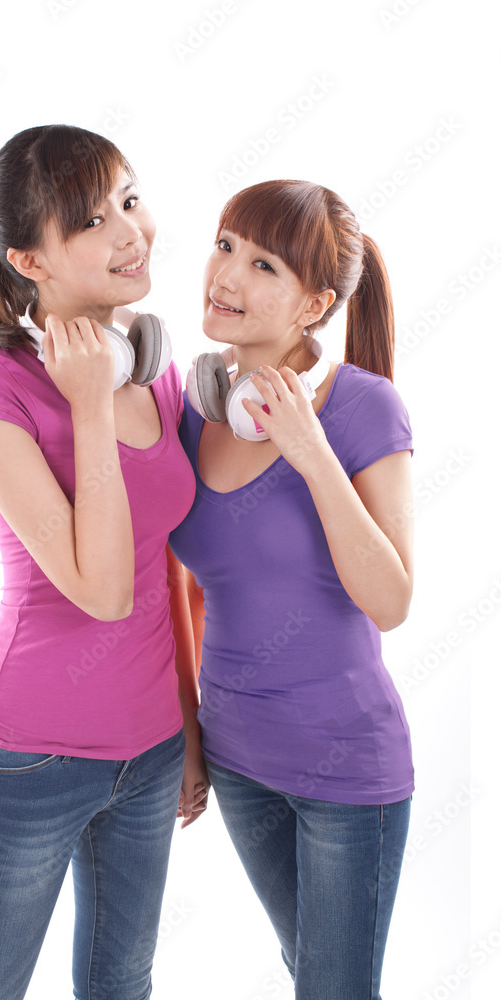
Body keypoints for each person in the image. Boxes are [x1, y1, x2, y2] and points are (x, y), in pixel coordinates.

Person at [0, 124, 208, 1000]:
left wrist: (186, 726)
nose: (132, 231)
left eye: (130, 199)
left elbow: (163, 575)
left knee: (121, 985)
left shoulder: (154, 370)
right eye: (94, 221)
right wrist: (89, 403)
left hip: (151, 750)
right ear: (31, 259)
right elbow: (98, 589)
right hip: (27, 759)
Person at [168, 179, 414, 1000]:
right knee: (308, 973)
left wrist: (310, 452)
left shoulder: (363, 410)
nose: (226, 274)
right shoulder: (191, 414)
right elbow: (186, 584)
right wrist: (189, 734)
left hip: (348, 770)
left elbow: (391, 600)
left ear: (312, 305)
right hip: (237, 757)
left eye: (262, 263)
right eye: (225, 244)